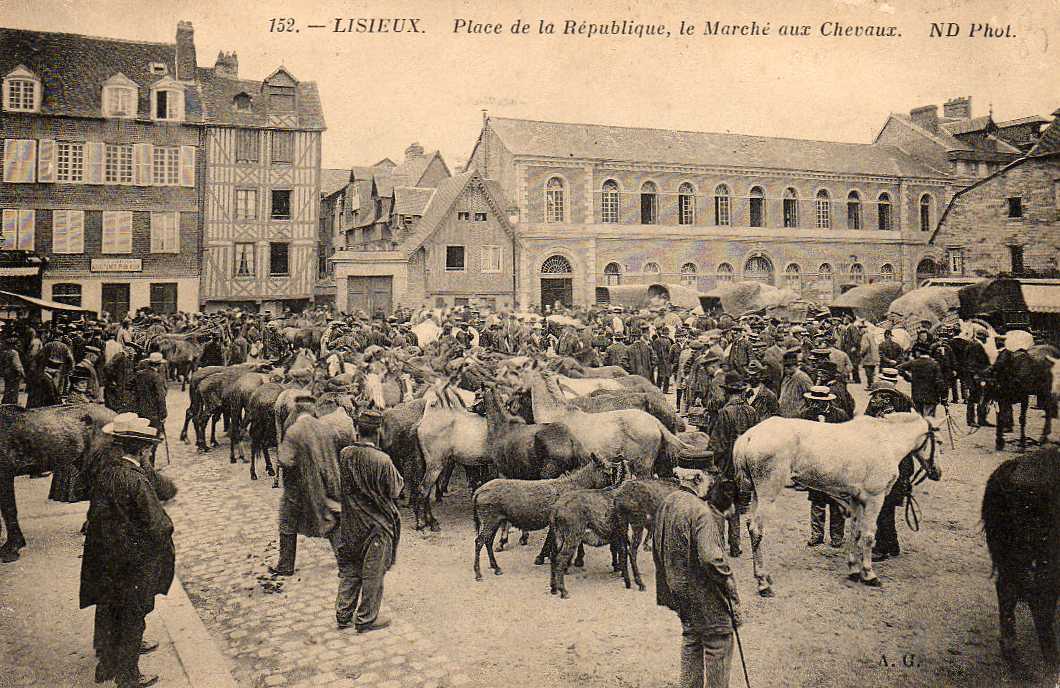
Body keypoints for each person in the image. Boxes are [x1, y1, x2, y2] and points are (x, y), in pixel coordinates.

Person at [80, 412, 174, 688]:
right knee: (133, 615)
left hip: (105, 556)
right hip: (131, 561)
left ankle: (106, 664)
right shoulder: (135, 480)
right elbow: (159, 525)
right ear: (143, 450)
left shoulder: (107, 471)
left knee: (110, 609)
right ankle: (128, 675)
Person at [653, 463, 741, 688]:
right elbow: (711, 559)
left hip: (679, 592)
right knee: (718, 642)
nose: (712, 484)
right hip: (705, 595)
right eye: (710, 477)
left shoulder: (668, 502)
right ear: (698, 478)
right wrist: (728, 581)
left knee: (692, 639)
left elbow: (657, 547)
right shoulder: (701, 511)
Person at [329, 410, 403, 631]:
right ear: (378, 431)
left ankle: (343, 614)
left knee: (351, 568)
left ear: (358, 430)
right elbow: (396, 490)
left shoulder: (345, 454)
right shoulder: (383, 460)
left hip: (350, 522)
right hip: (377, 525)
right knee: (373, 572)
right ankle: (366, 619)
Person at [707, 372, 759, 558]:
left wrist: (710, 463)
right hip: (745, 470)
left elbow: (717, 446)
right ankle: (735, 546)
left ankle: (719, 546)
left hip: (727, 469)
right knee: (736, 508)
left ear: (728, 392)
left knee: (719, 507)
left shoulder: (725, 413)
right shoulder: (751, 412)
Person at [862, 384, 914, 562]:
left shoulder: (892, 423)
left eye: (876, 397)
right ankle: (892, 545)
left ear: (886, 398)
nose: (873, 400)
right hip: (895, 471)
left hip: (891, 472)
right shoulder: (892, 418)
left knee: (882, 509)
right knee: (886, 510)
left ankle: (882, 547)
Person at [801, 386, 849, 548]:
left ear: (827, 401)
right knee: (817, 500)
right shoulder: (806, 416)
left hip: (836, 465)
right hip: (815, 465)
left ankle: (836, 536)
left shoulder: (840, 415)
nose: (816, 405)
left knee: (836, 501)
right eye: (814, 402)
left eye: (819, 402)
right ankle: (817, 534)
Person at [131, 352, 168, 466]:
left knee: (142, 438)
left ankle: (141, 462)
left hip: (139, 412)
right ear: (159, 365)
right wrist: (163, 414)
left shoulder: (139, 374)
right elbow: (160, 398)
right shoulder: (157, 377)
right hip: (153, 414)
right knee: (153, 440)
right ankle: (150, 464)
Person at [898, 345, 947, 417]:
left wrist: (908, 378)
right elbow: (939, 381)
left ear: (918, 353)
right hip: (931, 396)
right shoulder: (934, 364)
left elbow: (899, 368)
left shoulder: (914, 362)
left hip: (917, 395)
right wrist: (943, 396)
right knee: (929, 418)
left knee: (919, 418)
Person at [961, 329, 991, 427]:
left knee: (978, 398)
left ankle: (980, 419)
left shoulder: (973, 344)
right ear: (981, 337)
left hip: (974, 376)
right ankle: (972, 420)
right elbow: (971, 363)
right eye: (985, 338)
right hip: (975, 377)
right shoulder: (976, 346)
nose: (986, 340)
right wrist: (976, 375)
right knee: (974, 398)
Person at [778, 349, 813, 418]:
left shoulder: (802, 378)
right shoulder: (786, 378)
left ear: (795, 365)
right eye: (785, 366)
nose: (786, 369)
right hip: (785, 416)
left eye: (789, 366)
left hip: (798, 417)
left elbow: (810, 398)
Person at [0, 331, 25, 405]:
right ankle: (13, 403)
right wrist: (23, 373)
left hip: (6, 371)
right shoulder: (14, 353)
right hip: (13, 373)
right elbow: (17, 365)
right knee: (14, 388)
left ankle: (5, 402)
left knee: (8, 387)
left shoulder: (4, 352)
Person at [858, 322, 879, 389]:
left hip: (868, 357)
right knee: (872, 372)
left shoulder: (865, 336)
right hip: (874, 357)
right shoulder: (871, 335)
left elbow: (865, 346)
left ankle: (870, 385)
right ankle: (872, 384)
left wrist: (861, 353)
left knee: (868, 372)